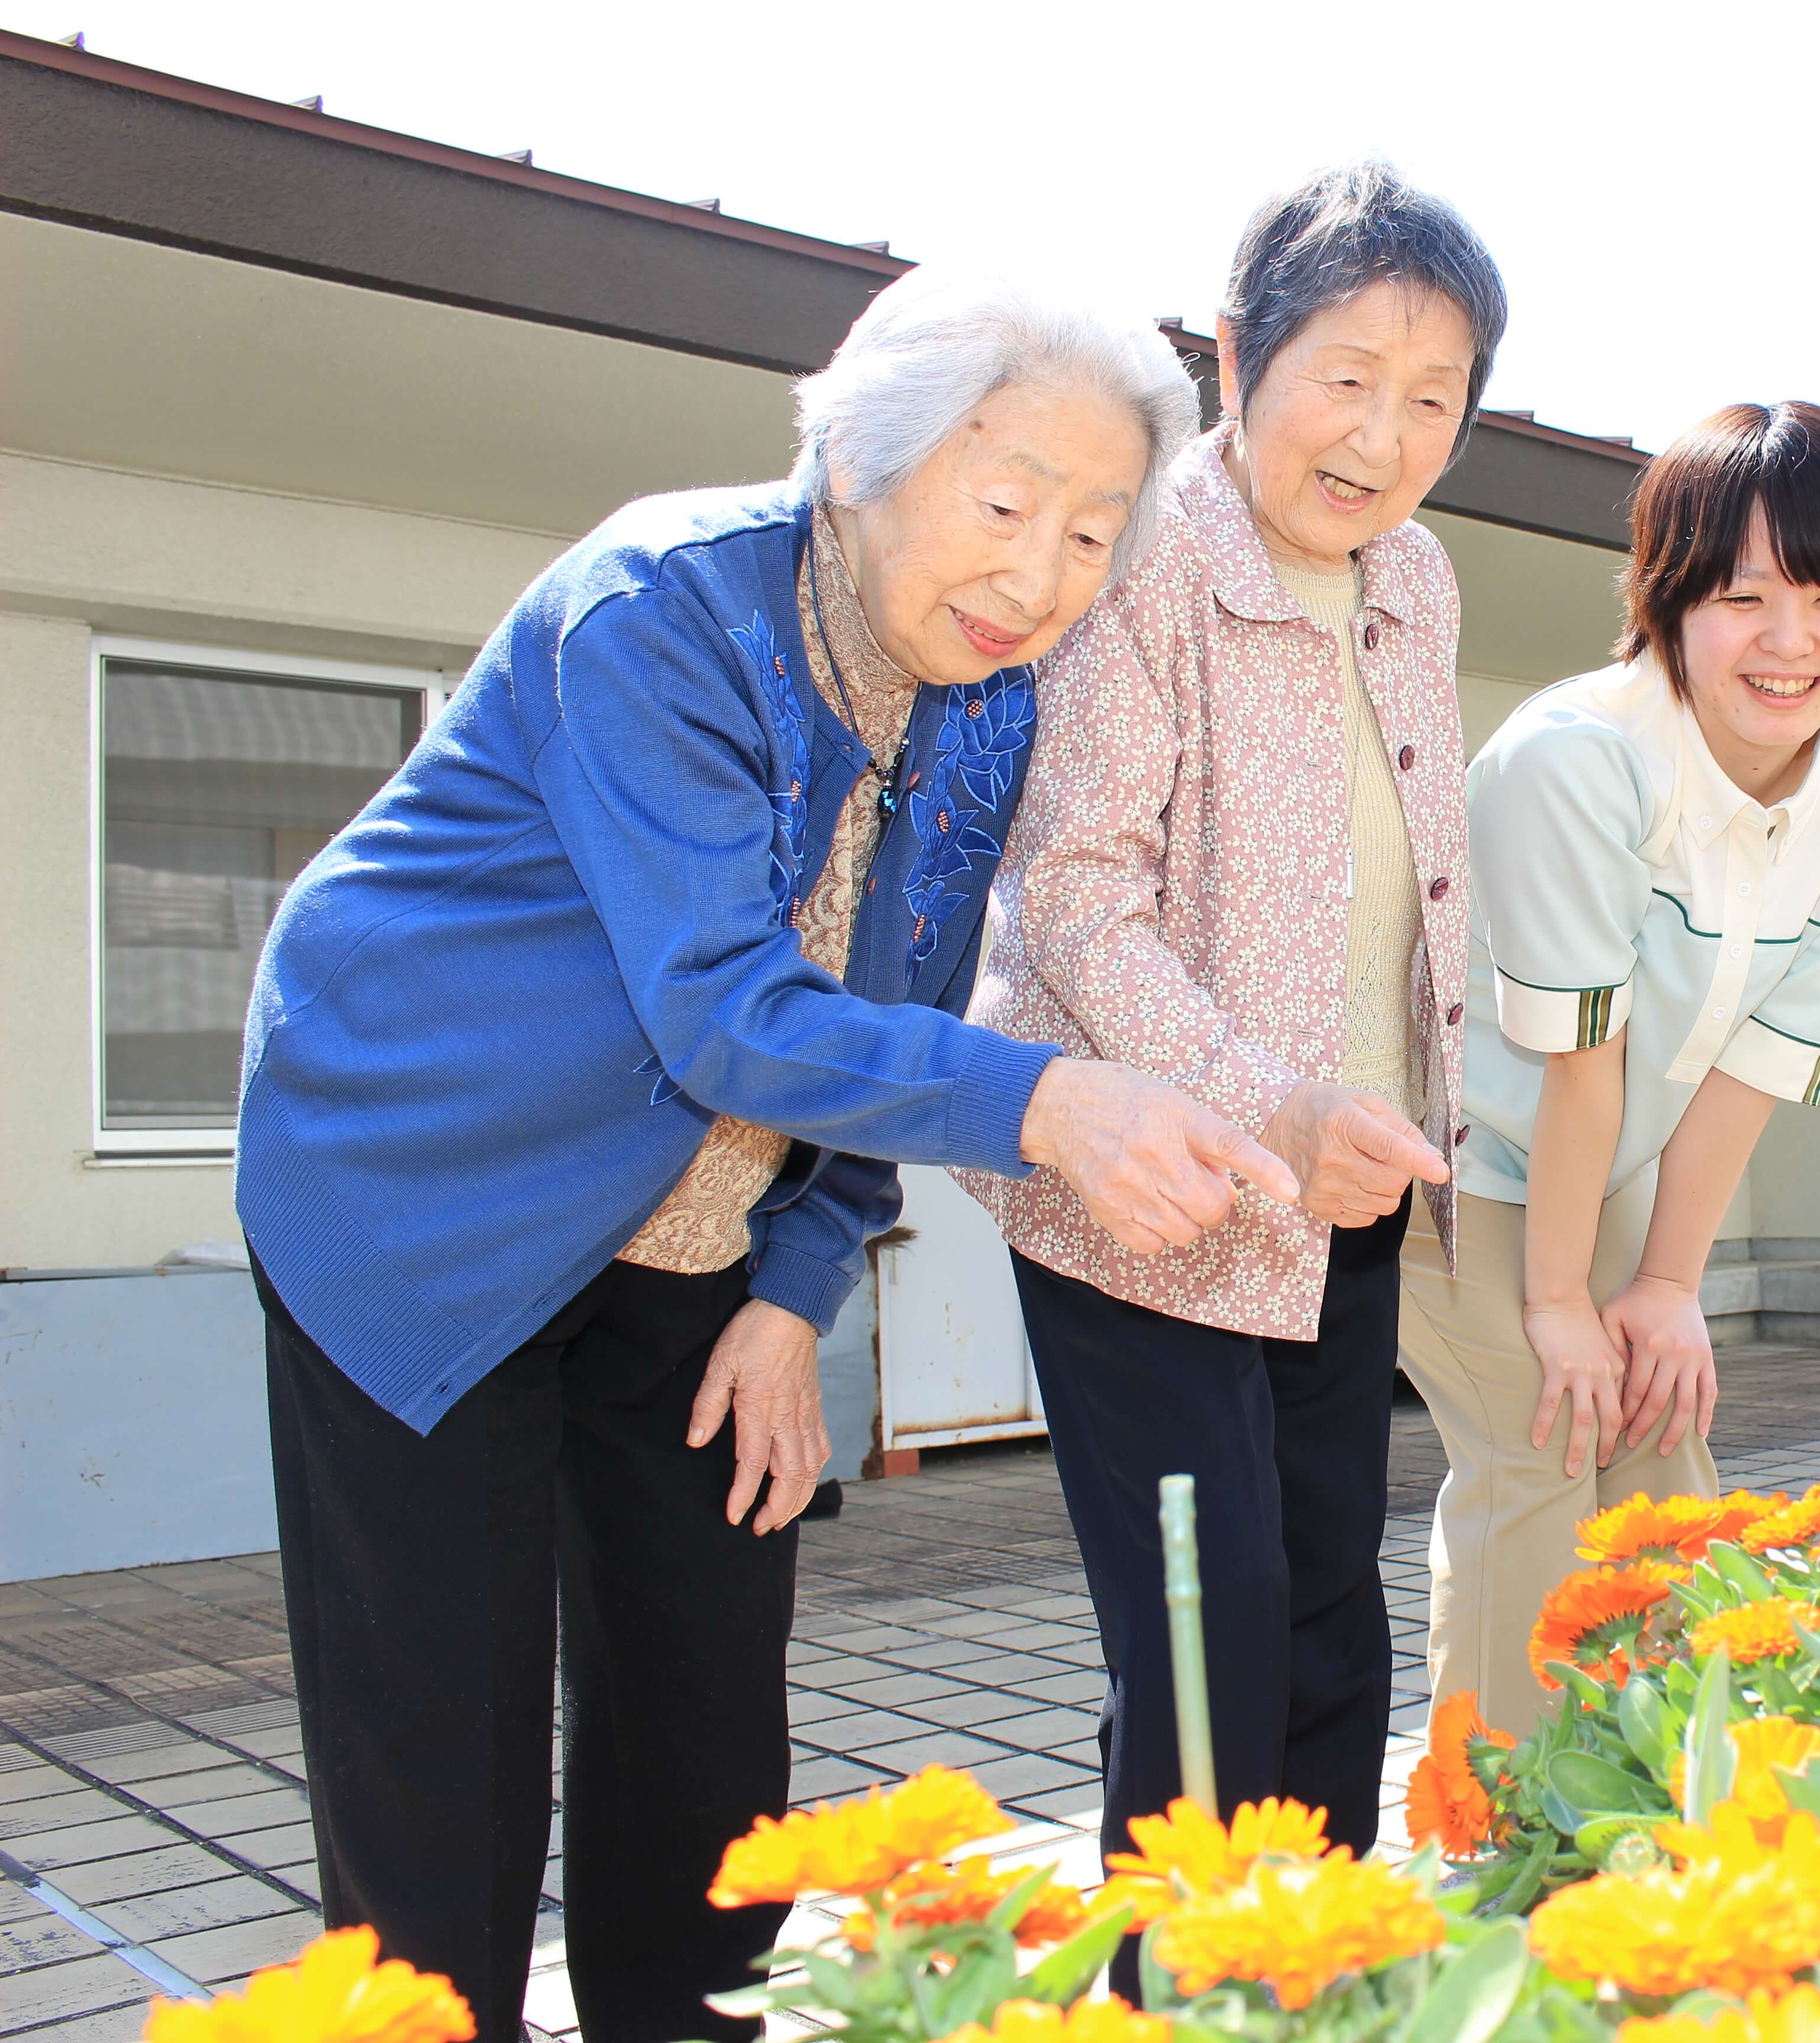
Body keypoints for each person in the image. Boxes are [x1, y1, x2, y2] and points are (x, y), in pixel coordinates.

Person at [236, 268, 1296, 2043]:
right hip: (420, 1183)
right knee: (445, 1745)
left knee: (706, 1725)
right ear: (866, 457)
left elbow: (895, 988)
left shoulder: (987, 700)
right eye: (1006, 500)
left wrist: (798, 1290)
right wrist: (1049, 1103)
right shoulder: (660, 614)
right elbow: (724, 1007)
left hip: (691, 1220)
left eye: (1096, 532)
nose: (1040, 576)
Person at [959, 162, 1504, 1868]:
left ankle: (1315, 1969)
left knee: (1333, 1622)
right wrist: (1264, 1107)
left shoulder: (1419, 579)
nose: (1382, 436)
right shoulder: (1144, 562)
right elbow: (1076, 896)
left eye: (1434, 398)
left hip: (1340, 1195)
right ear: (1233, 354)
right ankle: (1177, 1994)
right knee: (1212, 1636)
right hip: (1155, 1192)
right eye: (1346, 377)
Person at [1397, 402, 1820, 1737]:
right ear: (1668, 598)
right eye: (1742, 596)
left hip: (1615, 1160)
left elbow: (1765, 1051)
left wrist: (1662, 1289)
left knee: (1659, 1436)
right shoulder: (1576, 758)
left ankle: (1681, 1797)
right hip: (1455, 1156)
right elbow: (1583, 1063)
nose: (1790, 641)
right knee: (1544, 1441)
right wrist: (1560, 1303)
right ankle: (1503, 1830)